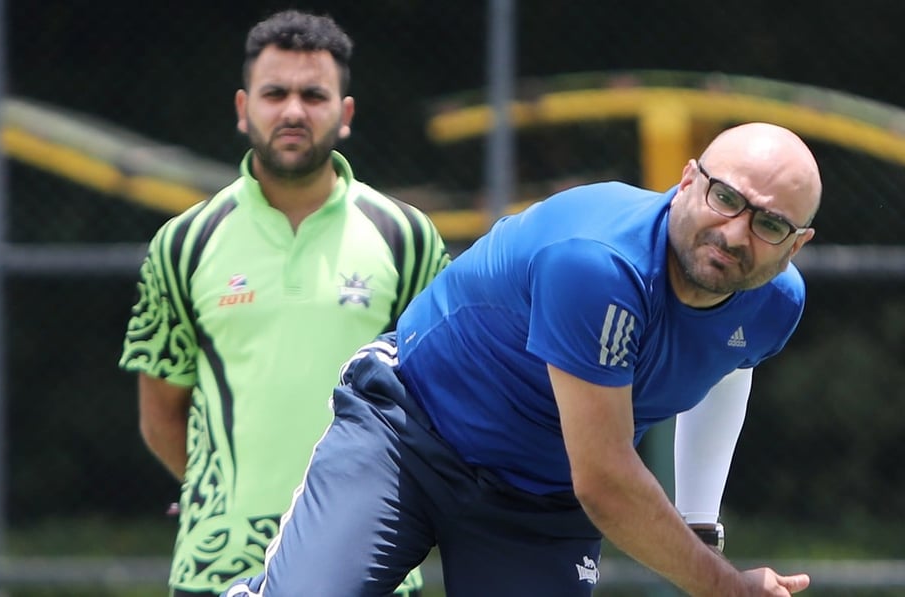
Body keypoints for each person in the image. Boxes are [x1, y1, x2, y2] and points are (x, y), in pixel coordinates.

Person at [225, 122, 823, 596]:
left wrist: (699, 525)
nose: (736, 233)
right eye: (726, 197)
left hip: (543, 502)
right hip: (408, 435)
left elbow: (725, 362)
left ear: (797, 245)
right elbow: (607, 482)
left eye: (769, 223)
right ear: (688, 180)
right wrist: (725, 589)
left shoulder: (774, 301)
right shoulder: (596, 263)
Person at [118, 9, 449, 597]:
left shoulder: (407, 236)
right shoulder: (184, 241)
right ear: (244, 109)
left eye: (313, 95)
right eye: (275, 94)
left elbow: (442, 398)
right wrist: (213, 497)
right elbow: (160, 411)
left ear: (344, 115)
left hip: (371, 564)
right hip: (216, 568)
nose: (294, 110)